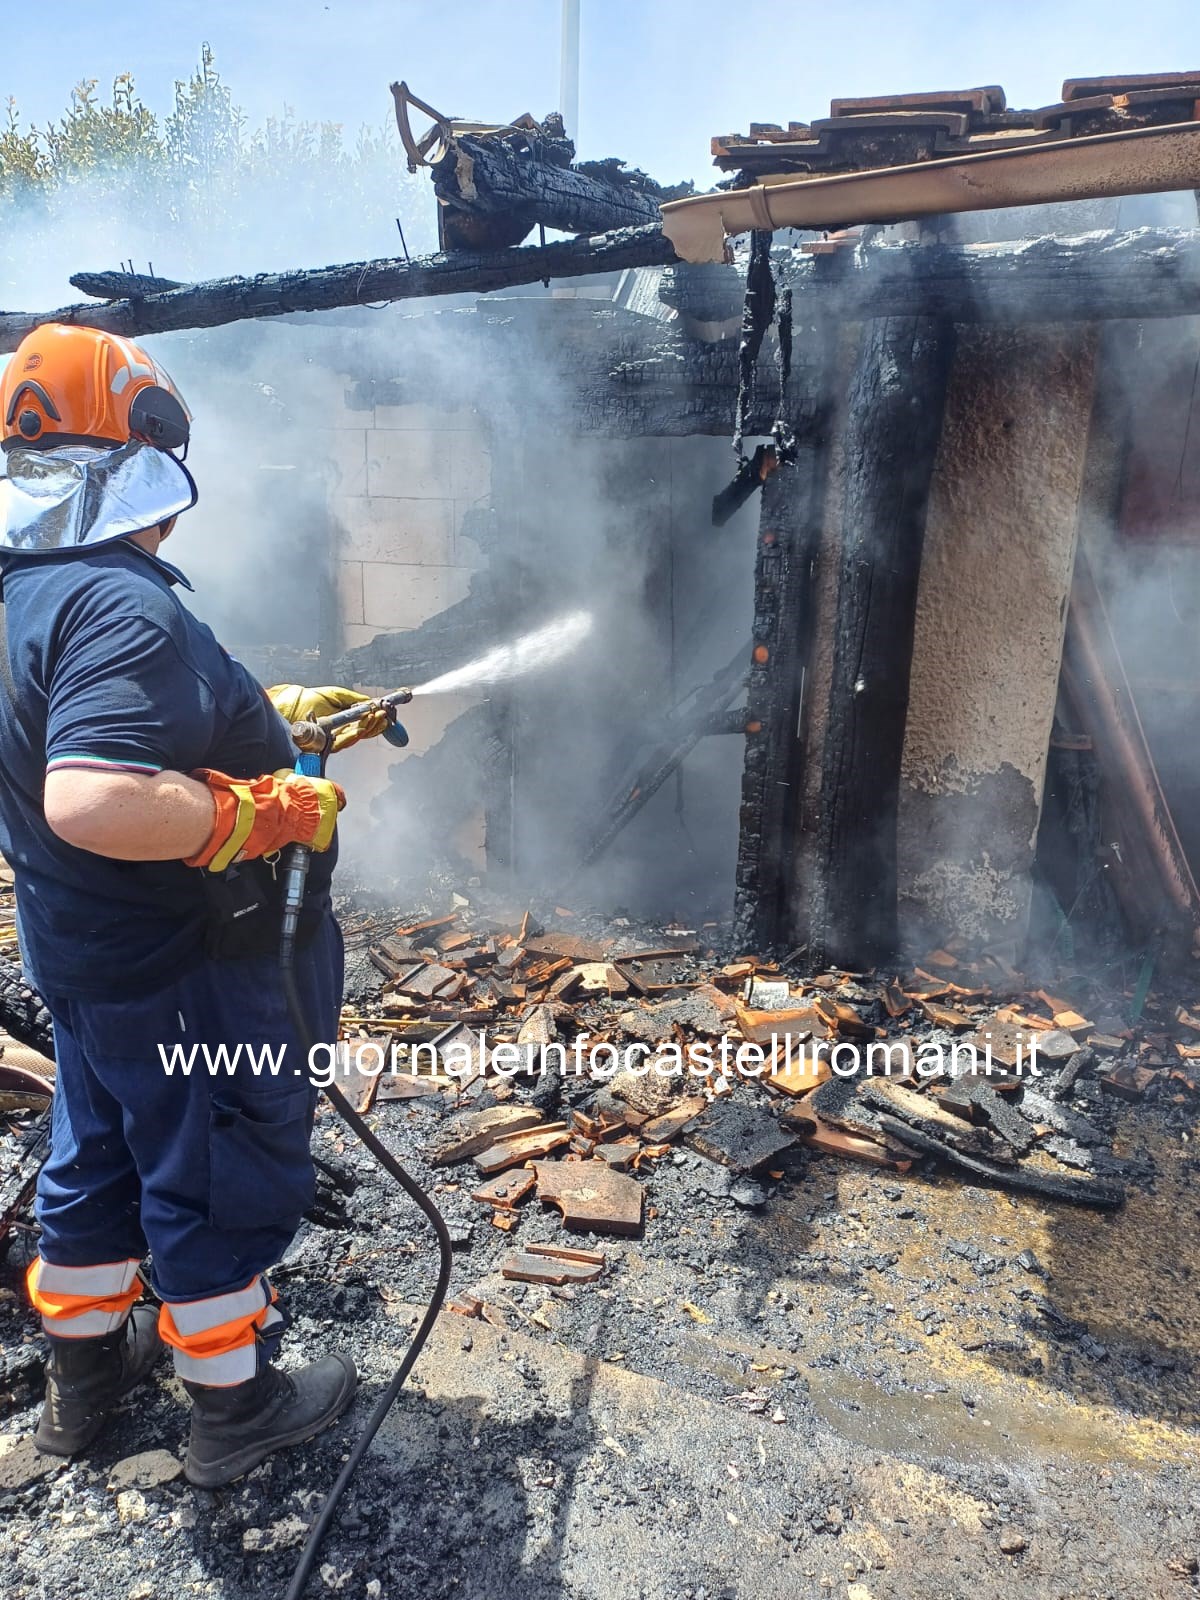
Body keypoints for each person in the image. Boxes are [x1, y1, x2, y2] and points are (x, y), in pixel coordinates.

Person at [0, 323, 387, 1487]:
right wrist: (257, 813)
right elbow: (95, 793)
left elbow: (72, 730)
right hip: (189, 967)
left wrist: (251, 711)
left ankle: (86, 1387)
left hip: (91, 963)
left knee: (97, 1161)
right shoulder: (121, 606)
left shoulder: (25, 595)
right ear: (144, 451)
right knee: (215, 1168)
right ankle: (238, 1410)